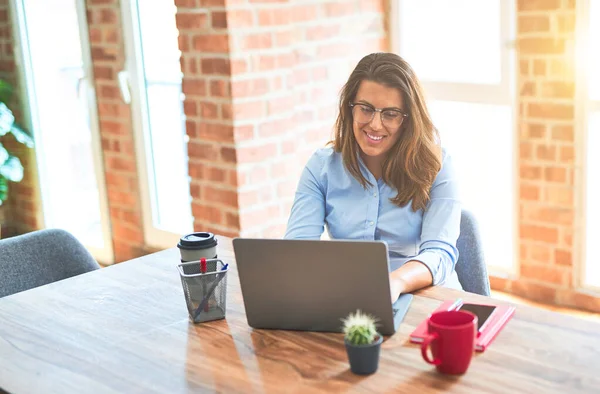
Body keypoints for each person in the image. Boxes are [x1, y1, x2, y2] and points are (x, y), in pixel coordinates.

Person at [284, 52, 462, 303]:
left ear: (408, 119)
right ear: (350, 109)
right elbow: (298, 251)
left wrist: (395, 282)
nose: (375, 125)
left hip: (425, 296)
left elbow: (440, 253)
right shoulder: (322, 167)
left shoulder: (437, 165)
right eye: (366, 109)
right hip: (353, 297)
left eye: (390, 114)